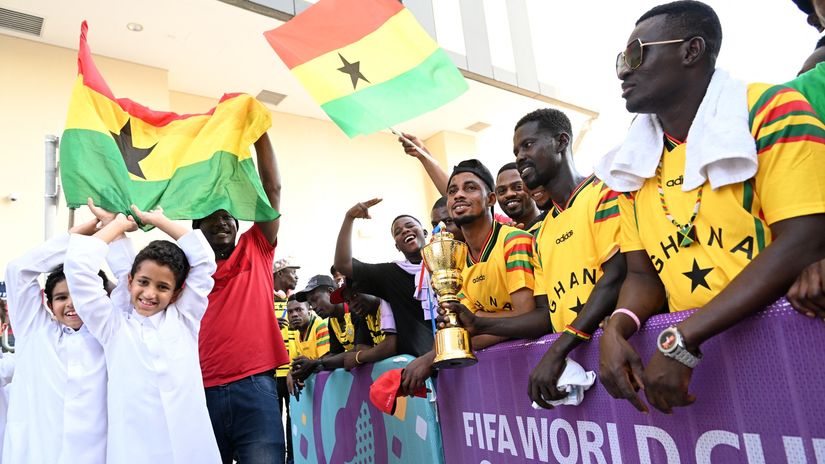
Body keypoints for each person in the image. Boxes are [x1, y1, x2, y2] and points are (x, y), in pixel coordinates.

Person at [595, 0, 825, 414]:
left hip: (796, 350)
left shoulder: (769, 109)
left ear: (691, 51)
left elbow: (805, 239)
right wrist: (618, 326)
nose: (624, 71)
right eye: (621, 60)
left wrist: (683, 339)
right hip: (707, 370)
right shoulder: (631, 161)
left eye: (636, 54)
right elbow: (643, 274)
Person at [447, 109, 627, 408]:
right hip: (575, 365)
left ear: (561, 142)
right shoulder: (543, 233)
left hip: (615, 352)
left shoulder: (602, 194)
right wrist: (478, 323)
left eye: (528, 145)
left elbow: (617, 276)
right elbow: (543, 315)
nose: (520, 156)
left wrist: (558, 349)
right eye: (516, 151)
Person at [65, 204, 221, 463]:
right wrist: (115, 226)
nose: (149, 294)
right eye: (143, 283)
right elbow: (77, 267)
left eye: (162, 287)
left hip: (191, 448)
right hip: (133, 451)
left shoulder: (184, 318)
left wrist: (158, 220)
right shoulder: (112, 327)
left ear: (177, 293)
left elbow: (204, 261)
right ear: (129, 282)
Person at [402, 160, 538, 394]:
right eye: (452, 191)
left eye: (470, 188)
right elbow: (468, 330)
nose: (459, 195)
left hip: (536, 363)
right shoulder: (456, 260)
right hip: (502, 378)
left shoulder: (513, 241)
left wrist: (476, 323)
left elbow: (526, 316)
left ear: (491, 199)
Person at [195, 133, 288, 463]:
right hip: (199, 390)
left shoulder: (256, 246)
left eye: (228, 216)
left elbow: (272, 191)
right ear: (197, 227)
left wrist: (261, 133)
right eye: (212, 216)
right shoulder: (185, 267)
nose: (221, 220)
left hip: (256, 387)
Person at [3, 212, 124, 464]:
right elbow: (18, 271)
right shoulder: (35, 331)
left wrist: (113, 233)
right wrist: (76, 238)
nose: (72, 304)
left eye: (79, 294)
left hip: (96, 455)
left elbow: (130, 288)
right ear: (48, 303)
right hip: (37, 453)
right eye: (61, 297)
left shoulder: (113, 335)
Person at [334, 202, 436, 359]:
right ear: (397, 246)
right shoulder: (390, 274)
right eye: (398, 232)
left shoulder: (449, 259)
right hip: (416, 369)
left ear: (424, 232)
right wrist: (349, 218)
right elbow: (343, 264)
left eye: (409, 225)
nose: (405, 230)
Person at [332, 279, 398, 369]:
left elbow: (391, 346)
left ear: (371, 289)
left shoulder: (389, 304)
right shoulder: (365, 314)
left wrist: (358, 357)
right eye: (348, 302)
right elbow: (362, 348)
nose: (352, 305)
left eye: (355, 296)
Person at [295, 274, 353, 371]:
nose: (313, 307)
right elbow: (335, 354)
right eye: (310, 304)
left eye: (315, 300)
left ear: (331, 292)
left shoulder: (355, 310)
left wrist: (317, 363)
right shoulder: (332, 321)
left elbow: (359, 350)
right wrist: (308, 367)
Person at [272, 257, 298, 464]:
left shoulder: (297, 302)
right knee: (272, 421)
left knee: (294, 418)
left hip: (292, 373)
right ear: (280, 274)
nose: (296, 277)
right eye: (293, 272)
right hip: (270, 374)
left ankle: (293, 459)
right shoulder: (261, 298)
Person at [286, 296, 329, 398]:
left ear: (309, 310)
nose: (294, 315)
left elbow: (326, 360)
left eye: (299, 310)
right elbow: (298, 363)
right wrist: (291, 373)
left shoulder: (320, 326)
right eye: (290, 312)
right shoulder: (297, 334)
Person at [495, 162, 541, 233]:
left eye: (518, 187)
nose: (509, 194)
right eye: (501, 191)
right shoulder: (502, 238)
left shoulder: (553, 225)